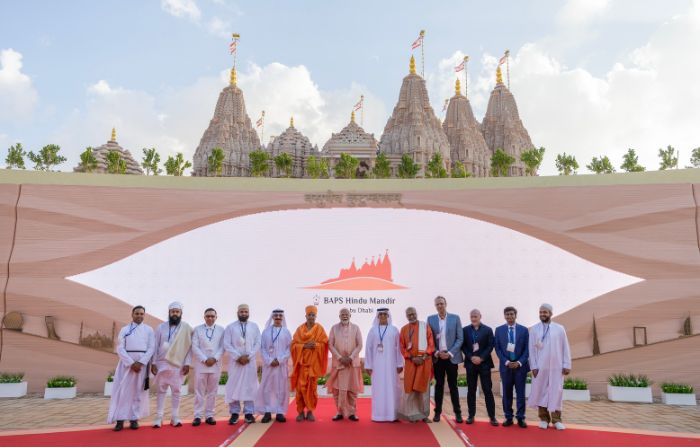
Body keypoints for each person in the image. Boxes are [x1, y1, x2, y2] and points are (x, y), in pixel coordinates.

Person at [107, 305, 155, 431]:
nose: (139, 316)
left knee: (138, 392)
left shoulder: (149, 330)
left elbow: (151, 348)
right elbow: (120, 348)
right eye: (137, 313)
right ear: (132, 314)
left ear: (144, 315)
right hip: (126, 365)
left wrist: (141, 362)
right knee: (123, 392)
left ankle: (134, 418)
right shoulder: (124, 329)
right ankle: (120, 420)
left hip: (142, 366)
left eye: (141, 314)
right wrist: (130, 363)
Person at [528, 303, 572, 431]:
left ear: (551, 313)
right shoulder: (534, 329)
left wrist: (566, 364)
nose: (542, 314)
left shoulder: (559, 328)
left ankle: (557, 420)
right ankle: (543, 419)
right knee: (541, 392)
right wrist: (534, 366)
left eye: (545, 312)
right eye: (541, 312)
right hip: (540, 368)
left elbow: (565, 347)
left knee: (556, 392)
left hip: (557, 367)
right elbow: (531, 349)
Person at [151, 301, 193, 428]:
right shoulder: (160, 327)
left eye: (177, 312)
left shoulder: (187, 328)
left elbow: (189, 348)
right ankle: (159, 417)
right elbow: (154, 346)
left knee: (176, 391)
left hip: (177, 365)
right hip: (162, 363)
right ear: (169, 313)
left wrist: (187, 363)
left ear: (181, 313)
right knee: (161, 390)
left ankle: (175, 417)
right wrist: (153, 363)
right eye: (172, 311)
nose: (175, 314)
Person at [427, 296, 464, 423]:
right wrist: (437, 352)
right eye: (437, 304)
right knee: (439, 386)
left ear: (446, 304)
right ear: (435, 306)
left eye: (442, 304)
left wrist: (450, 353)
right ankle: (437, 413)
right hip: (438, 358)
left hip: (451, 358)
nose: (440, 306)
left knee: (453, 386)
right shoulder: (430, 319)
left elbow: (460, 338)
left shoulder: (455, 318)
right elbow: (429, 339)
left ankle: (458, 413)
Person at [224, 304, 261, 424]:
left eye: (245, 312)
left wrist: (249, 356)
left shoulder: (254, 327)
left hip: (249, 362)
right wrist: (237, 357)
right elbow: (226, 344)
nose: (244, 313)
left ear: (248, 313)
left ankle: (249, 413)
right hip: (236, 362)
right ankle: (234, 413)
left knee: (250, 387)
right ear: (237, 312)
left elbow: (258, 343)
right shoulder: (230, 327)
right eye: (242, 312)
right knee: (233, 386)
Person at [364, 307, 403, 422]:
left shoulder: (394, 330)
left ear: (388, 316)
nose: (382, 316)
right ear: (377, 316)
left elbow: (398, 349)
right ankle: (378, 415)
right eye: (380, 315)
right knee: (378, 389)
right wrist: (368, 365)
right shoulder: (373, 330)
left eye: (384, 314)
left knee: (392, 388)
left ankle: (392, 415)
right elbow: (368, 348)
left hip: (391, 365)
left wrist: (399, 363)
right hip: (377, 366)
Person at [290, 305, 328, 422]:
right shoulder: (300, 329)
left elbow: (324, 344)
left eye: (313, 315)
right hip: (301, 365)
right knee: (300, 388)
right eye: (309, 315)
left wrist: (315, 345)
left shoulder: (320, 329)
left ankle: (310, 411)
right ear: (306, 316)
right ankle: (300, 412)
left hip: (313, 365)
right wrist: (304, 345)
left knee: (312, 388)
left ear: (315, 316)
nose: (311, 317)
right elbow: (293, 345)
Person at [494, 306, 529, 428]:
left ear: (516, 315)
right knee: (507, 393)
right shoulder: (498, 330)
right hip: (506, 367)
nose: (509, 316)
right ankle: (508, 417)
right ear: (504, 316)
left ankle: (520, 418)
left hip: (520, 367)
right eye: (507, 314)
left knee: (520, 393)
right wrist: (506, 362)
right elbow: (497, 348)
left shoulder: (524, 330)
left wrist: (519, 362)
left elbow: (527, 349)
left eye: (511, 314)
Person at [461, 309, 498, 426]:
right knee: (471, 390)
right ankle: (471, 415)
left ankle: (492, 417)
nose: (473, 318)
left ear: (480, 316)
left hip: (484, 364)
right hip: (470, 364)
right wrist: (471, 357)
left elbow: (490, 346)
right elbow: (464, 346)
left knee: (487, 390)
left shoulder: (488, 330)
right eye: (471, 316)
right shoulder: (465, 330)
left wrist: (481, 358)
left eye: (475, 316)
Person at [398, 307, 435, 423]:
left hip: (424, 362)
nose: (411, 316)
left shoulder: (425, 326)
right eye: (409, 315)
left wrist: (423, 357)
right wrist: (412, 358)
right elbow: (402, 347)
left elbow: (431, 344)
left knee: (423, 389)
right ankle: (412, 415)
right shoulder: (404, 329)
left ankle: (424, 415)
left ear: (416, 313)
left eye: (413, 314)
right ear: (406, 316)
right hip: (411, 363)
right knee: (411, 389)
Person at [255, 309, 292, 423]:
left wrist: (279, 360)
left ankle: (280, 412)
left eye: (280, 316)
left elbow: (289, 349)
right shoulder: (266, 332)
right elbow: (262, 349)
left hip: (281, 366)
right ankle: (267, 412)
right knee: (267, 388)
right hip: (269, 365)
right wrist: (270, 360)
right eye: (275, 316)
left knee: (281, 388)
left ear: (282, 318)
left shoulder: (286, 332)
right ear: (272, 317)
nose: (278, 318)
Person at [327, 308, 363, 421]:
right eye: (342, 314)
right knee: (338, 390)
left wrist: (350, 358)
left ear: (350, 315)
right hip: (339, 364)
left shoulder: (356, 328)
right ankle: (339, 412)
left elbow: (360, 345)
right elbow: (330, 345)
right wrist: (340, 357)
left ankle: (352, 413)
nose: (344, 316)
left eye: (346, 314)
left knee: (352, 390)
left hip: (352, 364)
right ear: (339, 316)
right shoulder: (334, 328)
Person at [191, 307, 225, 426]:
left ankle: (210, 415)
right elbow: (194, 346)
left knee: (212, 391)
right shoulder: (197, 329)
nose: (210, 318)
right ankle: (197, 416)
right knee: (199, 391)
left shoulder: (221, 330)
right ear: (204, 317)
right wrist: (205, 359)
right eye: (208, 316)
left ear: (216, 317)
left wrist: (214, 358)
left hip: (215, 364)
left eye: (212, 316)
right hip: (201, 364)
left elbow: (222, 347)